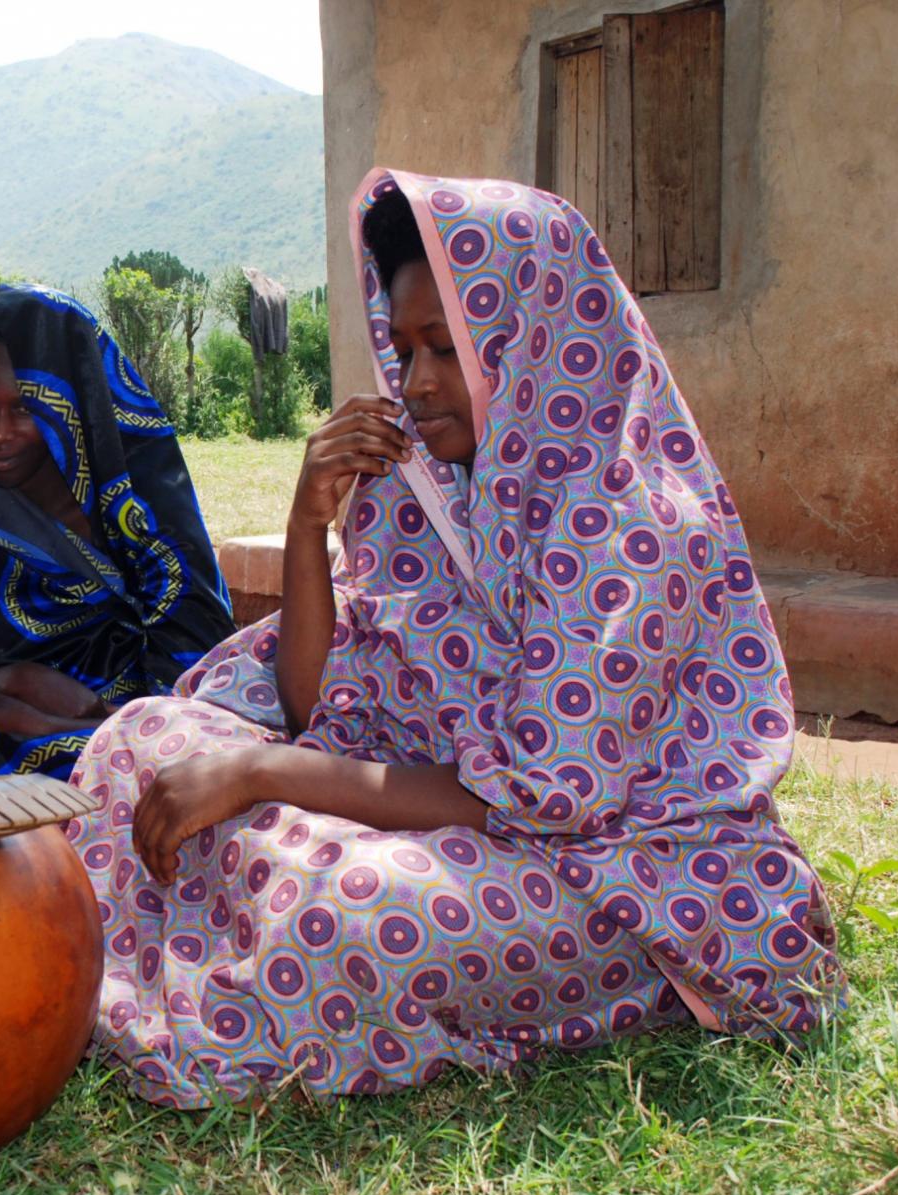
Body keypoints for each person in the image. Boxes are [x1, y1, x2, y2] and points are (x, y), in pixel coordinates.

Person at [67, 170, 846, 1106]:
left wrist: (260, 777)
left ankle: (210, 937)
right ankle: (210, 917)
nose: (418, 381)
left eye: (448, 347)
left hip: (605, 870)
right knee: (141, 738)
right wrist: (310, 525)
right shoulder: (420, 482)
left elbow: (526, 803)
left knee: (339, 916)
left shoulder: (631, 529)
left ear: (534, 340)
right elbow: (319, 708)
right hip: (421, 802)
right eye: (402, 347)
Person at [0, 284, 235, 778]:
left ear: (74, 406)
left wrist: (70, 724)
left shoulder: (143, 512)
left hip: (133, 733)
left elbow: (203, 688)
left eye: (25, 409)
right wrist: (19, 679)